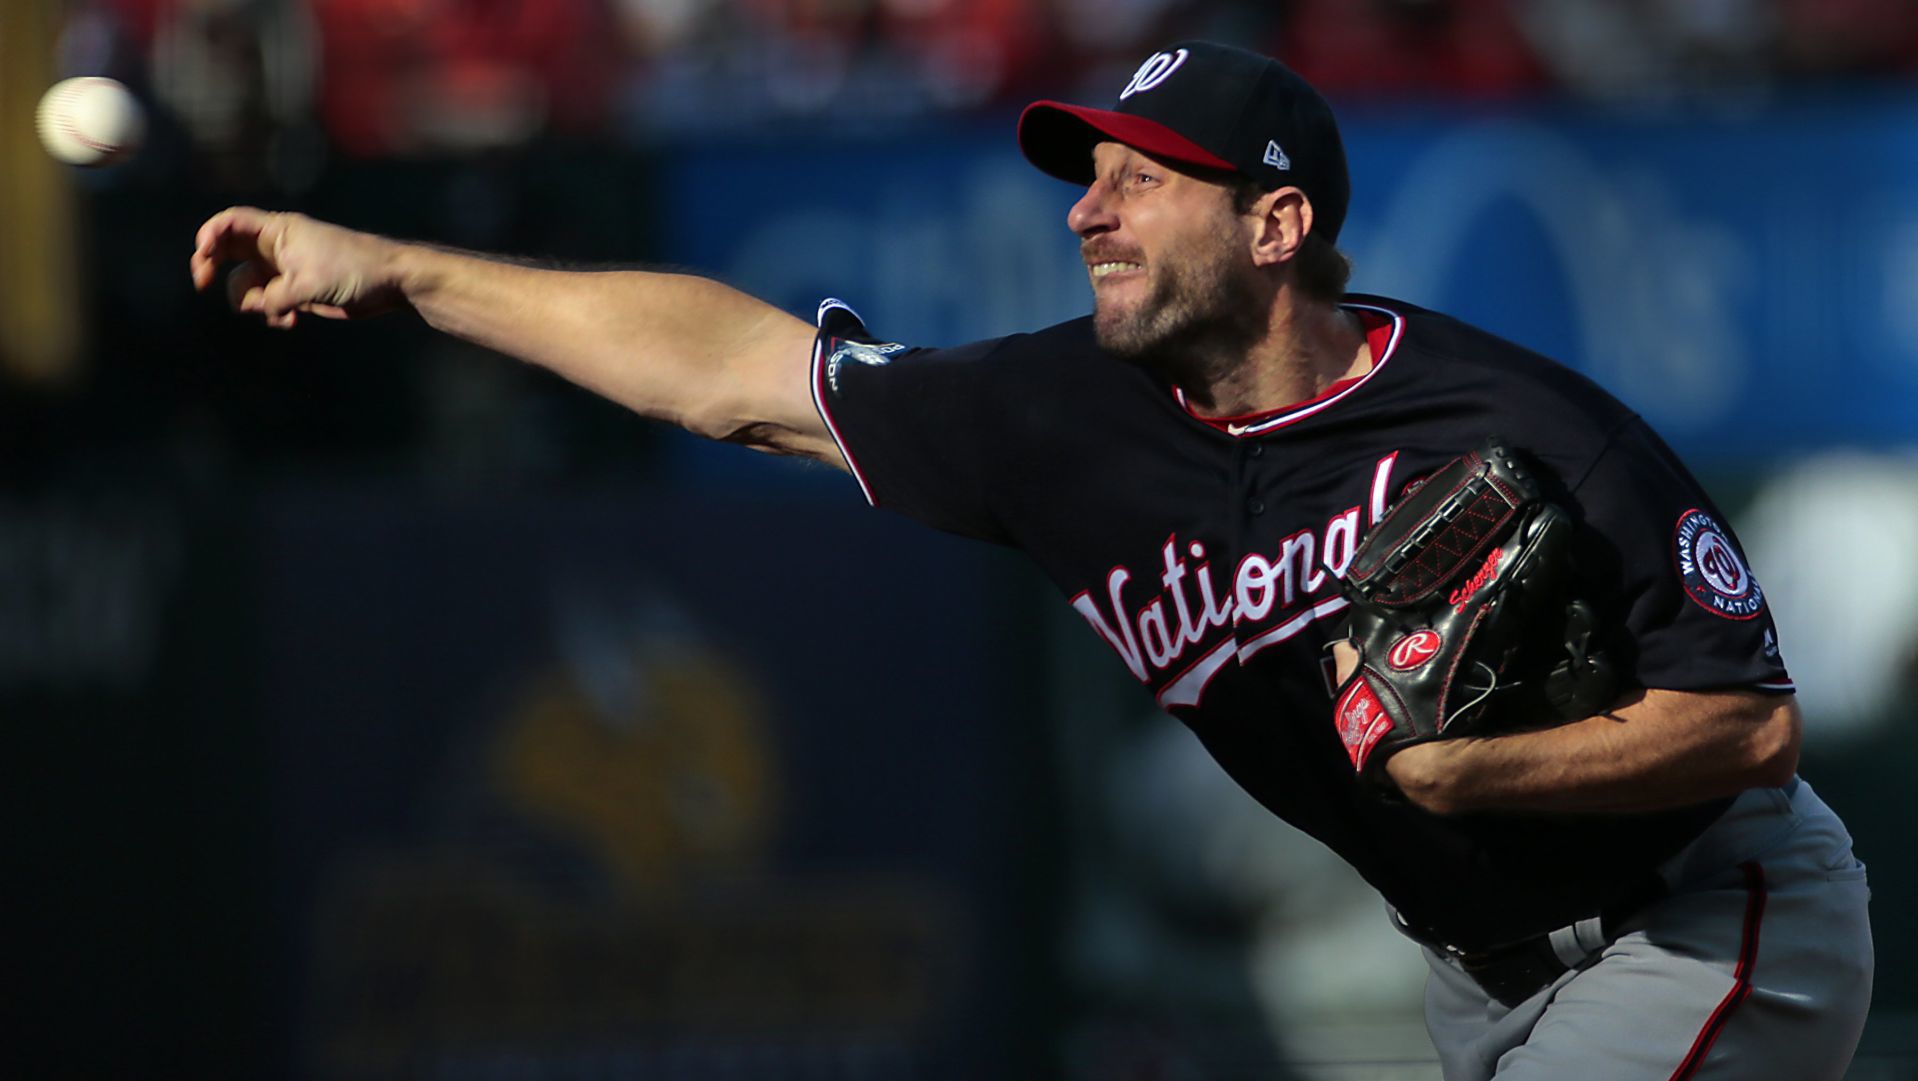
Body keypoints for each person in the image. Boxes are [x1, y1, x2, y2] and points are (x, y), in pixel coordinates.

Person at [189, 40, 1873, 1081]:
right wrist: (398, 264)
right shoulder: (1058, 416)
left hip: (1695, 917)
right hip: (1469, 972)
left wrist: (1467, 768)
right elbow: (727, 372)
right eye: (1090, 177)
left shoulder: (1518, 421)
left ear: (1275, 228)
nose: (1089, 210)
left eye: (1144, 182)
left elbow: (1749, 726)